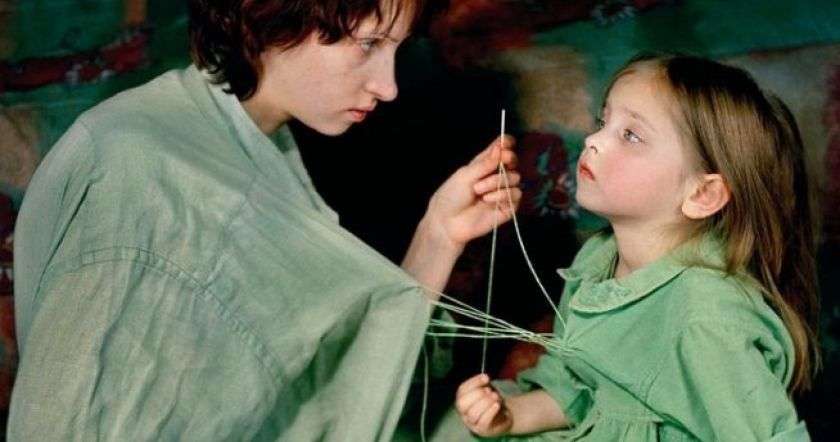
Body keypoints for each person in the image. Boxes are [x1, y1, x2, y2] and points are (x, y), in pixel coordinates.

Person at [9, 0, 522, 439]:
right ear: (273, 20)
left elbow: (325, 382)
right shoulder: (141, 166)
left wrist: (439, 235)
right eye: (367, 44)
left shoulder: (251, 142)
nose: (388, 87)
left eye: (396, 49)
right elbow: (77, 419)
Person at [454, 54, 819, 441]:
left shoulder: (707, 317)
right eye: (603, 123)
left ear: (702, 194)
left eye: (631, 135)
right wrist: (509, 416)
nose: (593, 141)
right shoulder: (598, 258)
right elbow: (581, 390)